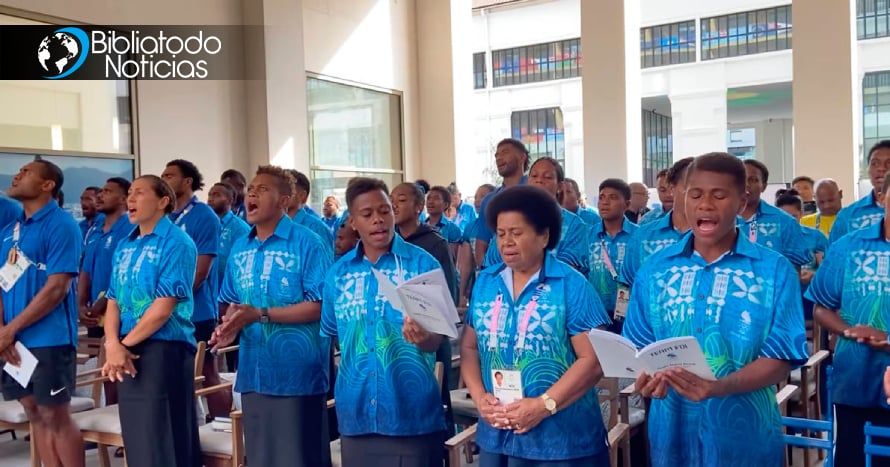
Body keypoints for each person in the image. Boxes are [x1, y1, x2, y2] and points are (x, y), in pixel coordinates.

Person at [625, 153, 807, 466]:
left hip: (744, 435)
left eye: (719, 195)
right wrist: (645, 379)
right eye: (695, 195)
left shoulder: (773, 270)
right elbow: (639, 347)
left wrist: (718, 388)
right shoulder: (655, 269)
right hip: (672, 433)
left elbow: (782, 358)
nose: (705, 204)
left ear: (741, 201)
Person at [461, 184, 611, 467]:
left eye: (516, 233)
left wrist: (544, 405)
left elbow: (592, 361)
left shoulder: (571, 285)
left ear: (544, 236)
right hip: (499, 433)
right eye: (501, 234)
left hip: (561, 441)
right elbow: (469, 346)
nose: (506, 242)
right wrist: (480, 397)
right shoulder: (486, 282)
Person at [321, 177, 447, 467]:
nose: (378, 220)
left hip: (410, 414)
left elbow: (436, 339)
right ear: (353, 221)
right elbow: (335, 334)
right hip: (357, 412)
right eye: (367, 215)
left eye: (385, 210)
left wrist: (422, 336)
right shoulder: (338, 275)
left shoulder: (421, 265)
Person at [212, 166, 333, 467]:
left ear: (283, 201)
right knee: (262, 457)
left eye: (263, 189)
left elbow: (321, 306)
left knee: (298, 458)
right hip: (254, 371)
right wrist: (229, 327)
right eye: (251, 188)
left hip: (297, 373)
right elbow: (233, 303)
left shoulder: (308, 242)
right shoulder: (241, 247)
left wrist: (261, 315)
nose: (252, 193)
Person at [102, 175, 201, 467]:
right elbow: (113, 300)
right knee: (139, 436)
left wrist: (121, 346)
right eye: (129, 194)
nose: (130, 200)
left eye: (139, 193)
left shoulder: (177, 242)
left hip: (163, 350)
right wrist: (112, 344)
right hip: (127, 352)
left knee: (165, 435)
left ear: (163, 201)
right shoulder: (125, 245)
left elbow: (163, 307)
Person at [0, 160, 84, 467]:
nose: (16, 174)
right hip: (12, 342)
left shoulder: (62, 224)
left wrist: (10, 330)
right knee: (34, 413)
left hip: (50, 339)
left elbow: (56, 288)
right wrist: (3, 332)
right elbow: (1, 283)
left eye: (26, 172)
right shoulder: (11, 229)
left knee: (55, 414)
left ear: (48, 185)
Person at [806, 170, 890, 467]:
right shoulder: (848, 247)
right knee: (850, 457)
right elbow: (821, 307)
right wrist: (849, 330)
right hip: (855, 378)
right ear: (882, 197)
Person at [161, 159, 226, 418]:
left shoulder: (204, 216)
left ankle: (223, 430)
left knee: (207, 372)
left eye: (169, 175)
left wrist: (168, 301)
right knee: (174, 375)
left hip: (197, 312)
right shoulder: (166, 216)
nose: (163, 179)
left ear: (187, 182)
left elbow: (201, 272)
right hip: (167, 314)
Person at [485, 157, 589, 274]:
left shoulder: (575, 225)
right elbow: (492, 265)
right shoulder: (508, 219)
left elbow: (568, 273)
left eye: (547, 177)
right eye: (534, 176)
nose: (539, 180)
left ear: (560, 186)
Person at [620, 157, 694, 288]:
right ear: (672, 189)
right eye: (692, 186)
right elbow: (627, 284)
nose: (701, 195)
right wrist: (622, 309)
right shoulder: (643, 235)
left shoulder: (718, 236)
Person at [207, 181, 250, 372]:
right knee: (212, 353)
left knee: (233, 357)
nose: (210, 198)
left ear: (231, 200)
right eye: (210, 194)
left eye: (217, 194)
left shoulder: (240, 229)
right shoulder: (208, 224)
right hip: (211, 298)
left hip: (232, 302)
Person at [392, 182, 458, 303]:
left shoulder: (436, 243)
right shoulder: (389, 242)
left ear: (419, 206)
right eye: (390, 201)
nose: (394, 206)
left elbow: (449, 290)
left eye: (401, 200)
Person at [739, 160, 812, 266]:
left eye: (753, 180)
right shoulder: (723, 220)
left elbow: (794, 270)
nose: (746, 184)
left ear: (763, 186)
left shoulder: (785, 222)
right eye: (741, 180)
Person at [588, 178, 638, 332]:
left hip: (630, 313)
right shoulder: (588, 235)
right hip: (596, 313)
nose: (605, 202)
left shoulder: (639, 236)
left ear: (627, 204)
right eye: (602, 197)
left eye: (613, 197)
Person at [475, 138, 529, 269]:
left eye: (505, 152)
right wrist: (486, 271)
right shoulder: (489, 200)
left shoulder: (535, 192)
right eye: (496, 155)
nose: (499, 158)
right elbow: (481, 242)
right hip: (496, 275)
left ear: (522, 157)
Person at [775, 193, 827, 322]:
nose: (788, 223)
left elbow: (829, 268)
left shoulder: (815, 236)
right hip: (779, 293)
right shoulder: (771, 239)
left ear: (801, 213)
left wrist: (814, 274)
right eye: (784, 218)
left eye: (793, 217)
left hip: (808, 293)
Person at [831, 141, 890, 243]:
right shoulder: (848, 215)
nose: (881, 168)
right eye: (875, 163)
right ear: (868, 170)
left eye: (889, 163)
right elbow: (834, 255)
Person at [458, 184, 496, 307]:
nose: (478, 201)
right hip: (479, 283)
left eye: (483, 196)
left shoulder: (500, 225)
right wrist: (461, 293)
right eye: (476, 198)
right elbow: (466, 265)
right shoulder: (470, 227)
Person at [287, 169, 335, 258]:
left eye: (286, 189)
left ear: (302, 196)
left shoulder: (316, 228)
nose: (279, 194)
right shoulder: (271, 226)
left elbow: (324, 266)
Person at [425, 185, 463, 254]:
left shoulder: (452, 229)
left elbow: (453, 258)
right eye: (428, 198)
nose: (430, 202)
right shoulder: (421, 227)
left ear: (445, 204)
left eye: (436, 198)